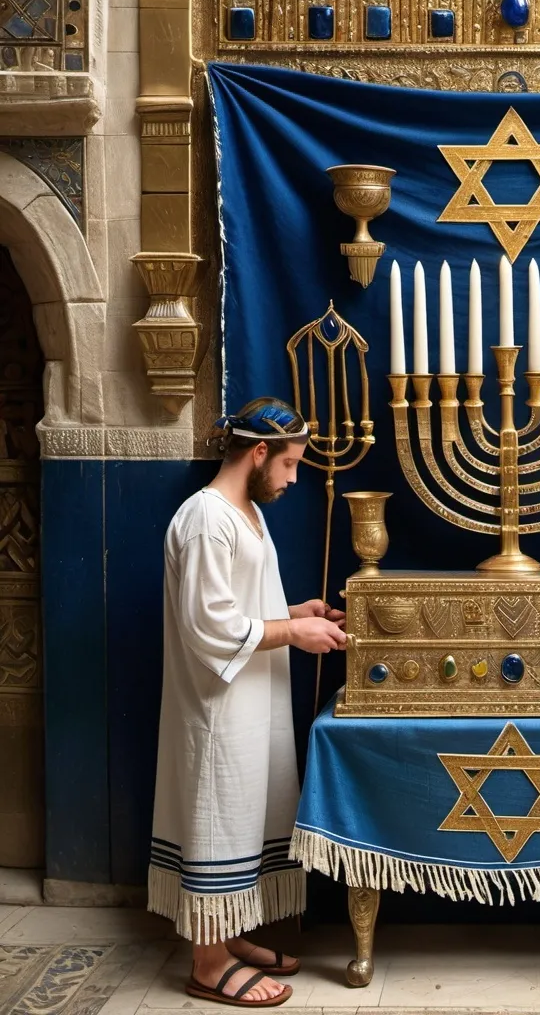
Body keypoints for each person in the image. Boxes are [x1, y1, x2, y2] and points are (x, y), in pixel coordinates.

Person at [148, 397, 347, 1008]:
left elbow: (236, 605)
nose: (291, 480)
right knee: (218, 809)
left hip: (252, 700)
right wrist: (293, 635)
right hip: (217, 709)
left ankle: (227, 937)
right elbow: (207, 625)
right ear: (258, 452)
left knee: (245, 812)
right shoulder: (207, 518)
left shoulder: (246, 514)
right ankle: (207, 964)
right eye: (288, 465)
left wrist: (294, 614)